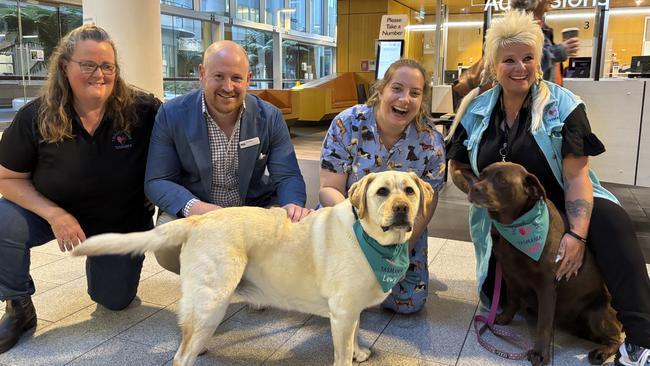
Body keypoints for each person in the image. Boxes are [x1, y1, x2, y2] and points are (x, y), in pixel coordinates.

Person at [446, 11, 650, 365]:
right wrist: (480, 193)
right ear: (495, 65)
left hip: (564, 196)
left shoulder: (563, 106)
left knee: (614, 221)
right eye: (509, 59)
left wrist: (577, 235)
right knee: (499, 291)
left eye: (528, 58)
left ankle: (642, 338)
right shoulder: (476, 111)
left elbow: (576, 178)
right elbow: (458, 168)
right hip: (510, 210)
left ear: (538, 60)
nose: (520, 67)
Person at [0, 25, 160, 353]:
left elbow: (183, 135)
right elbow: (7, 178)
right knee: (2, 219)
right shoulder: (36, 115)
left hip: (120, 221)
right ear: (64, 66)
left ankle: (102, 265)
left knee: (114, 300)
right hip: (53, 213)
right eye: (87, 65)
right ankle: (18, 305)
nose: (98, 74)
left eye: (107, 66)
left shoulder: (143, 109)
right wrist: (54, 214)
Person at [146, 40, 310, 274]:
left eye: (236, 78)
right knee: (166, 242)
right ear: (202, 74)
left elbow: (288, 175)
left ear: (248, 79)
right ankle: (220, 272)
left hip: (252, 209)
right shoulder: (171, 114)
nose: (228, 87)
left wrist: (292, 205)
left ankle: (251, 273)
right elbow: (157, 180)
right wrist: (197, 208)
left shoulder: (270, 117)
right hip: (201, 211)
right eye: (219, 76)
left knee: (290, 236)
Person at [319, 59, 446, 314]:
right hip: (349, 222)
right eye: (397, 88)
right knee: (329, 300)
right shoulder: (347, 124)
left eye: (415, 93)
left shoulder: (431, 142)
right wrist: (360, 238)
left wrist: (401, 248)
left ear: (422, 100)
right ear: (381, 90)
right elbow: (327, 189)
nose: (404, 99)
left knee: (407, 304)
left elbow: (427, 204)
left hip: (401, 232)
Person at [510, 0, 579, 85]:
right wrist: (560, 51)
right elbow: (524, 64)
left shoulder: (540, 26)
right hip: (533, 95)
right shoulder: (519, 25)